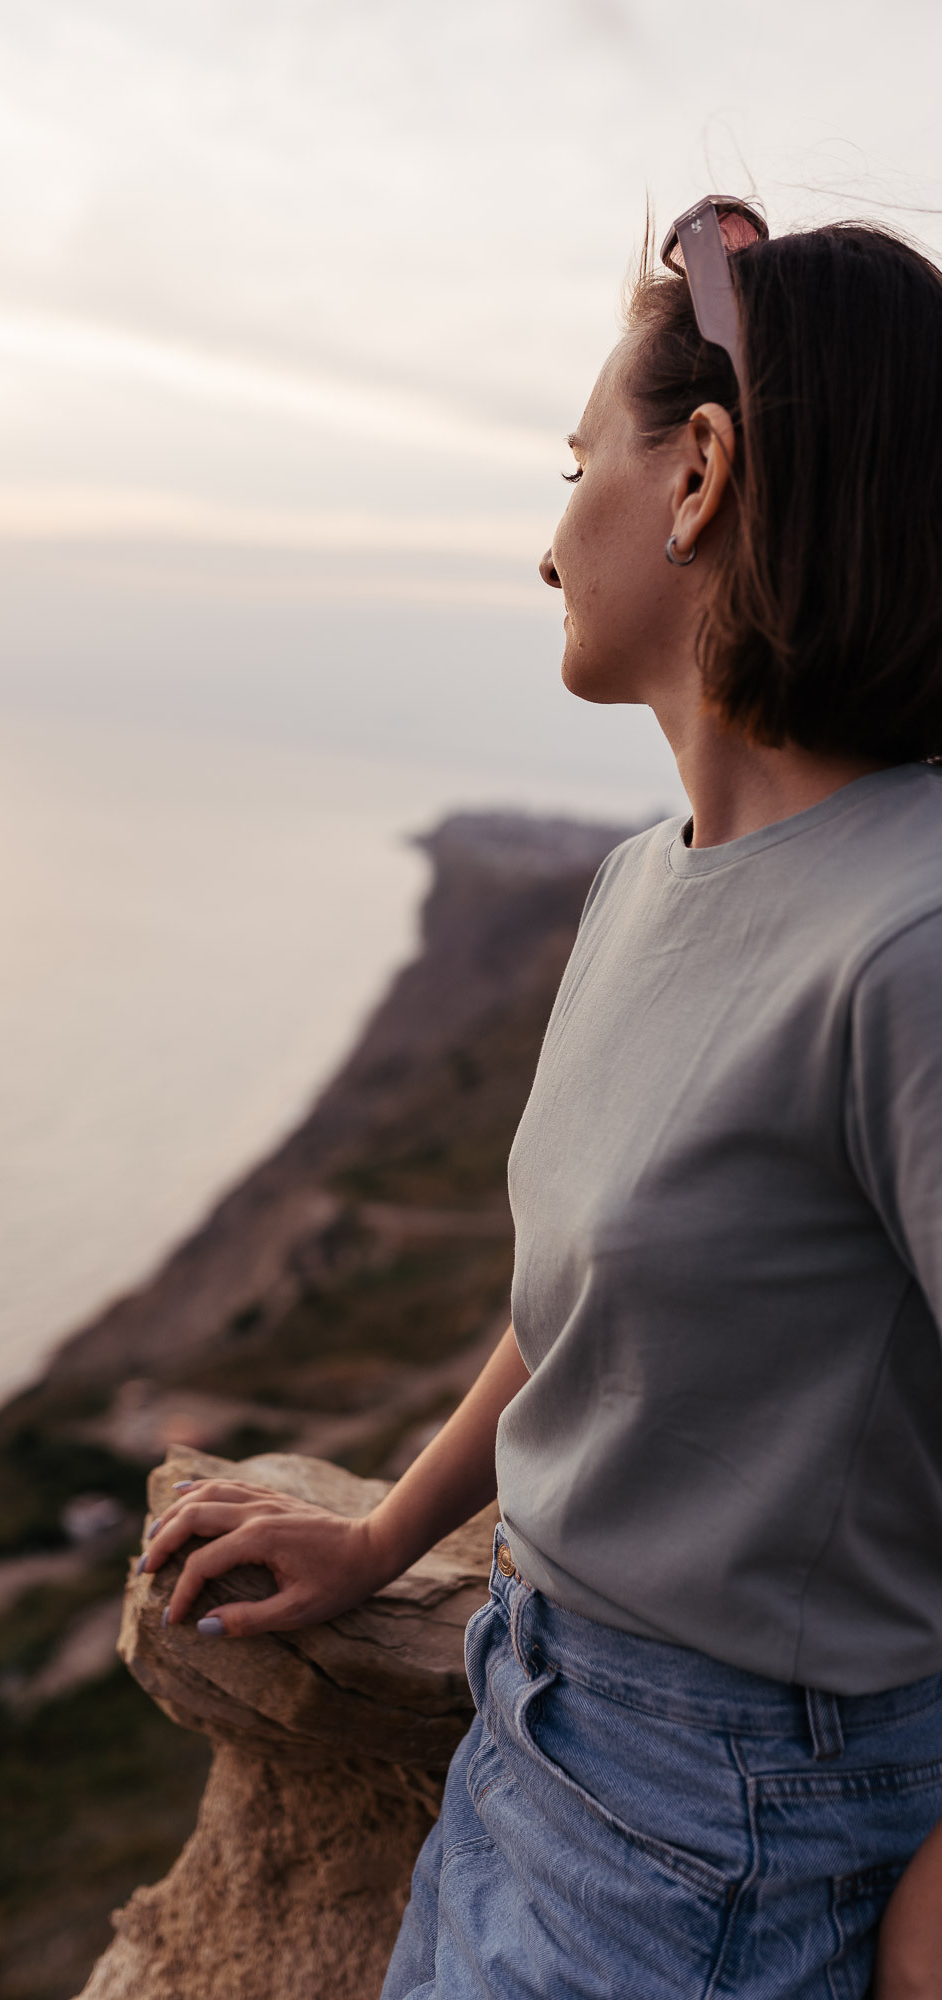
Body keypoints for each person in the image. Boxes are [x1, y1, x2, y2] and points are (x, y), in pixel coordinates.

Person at [138, 199, 942, 1998]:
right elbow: (580, 1312)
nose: (547, 536)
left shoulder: (915, 938)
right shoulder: (638, 881)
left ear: (700, 475)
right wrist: (379, 1537)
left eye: (582, 459)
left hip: (742, 1837)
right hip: (530, 1729)